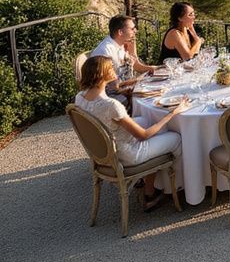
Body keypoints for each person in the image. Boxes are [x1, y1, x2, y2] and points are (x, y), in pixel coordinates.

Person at [75, 54, 188, 211]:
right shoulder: (111, 105)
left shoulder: (80, 98)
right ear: (102, 75)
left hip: (106, 151)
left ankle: (152, 187)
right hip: (127, 154)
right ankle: (172, 188)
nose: (114, 70)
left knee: (148, 120)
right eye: (110, 68)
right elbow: (143, 135)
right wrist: (173, 114)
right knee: (175, 138)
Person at [89, 15, 154, 79]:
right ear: (120, 32)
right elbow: (110, 85)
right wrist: (137, 81)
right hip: (113, 89)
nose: (135, 31)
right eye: (132, 29)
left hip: (122, 87)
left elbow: (136, 66)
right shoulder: (105, 51)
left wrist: (133, 53)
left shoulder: (121, 44)